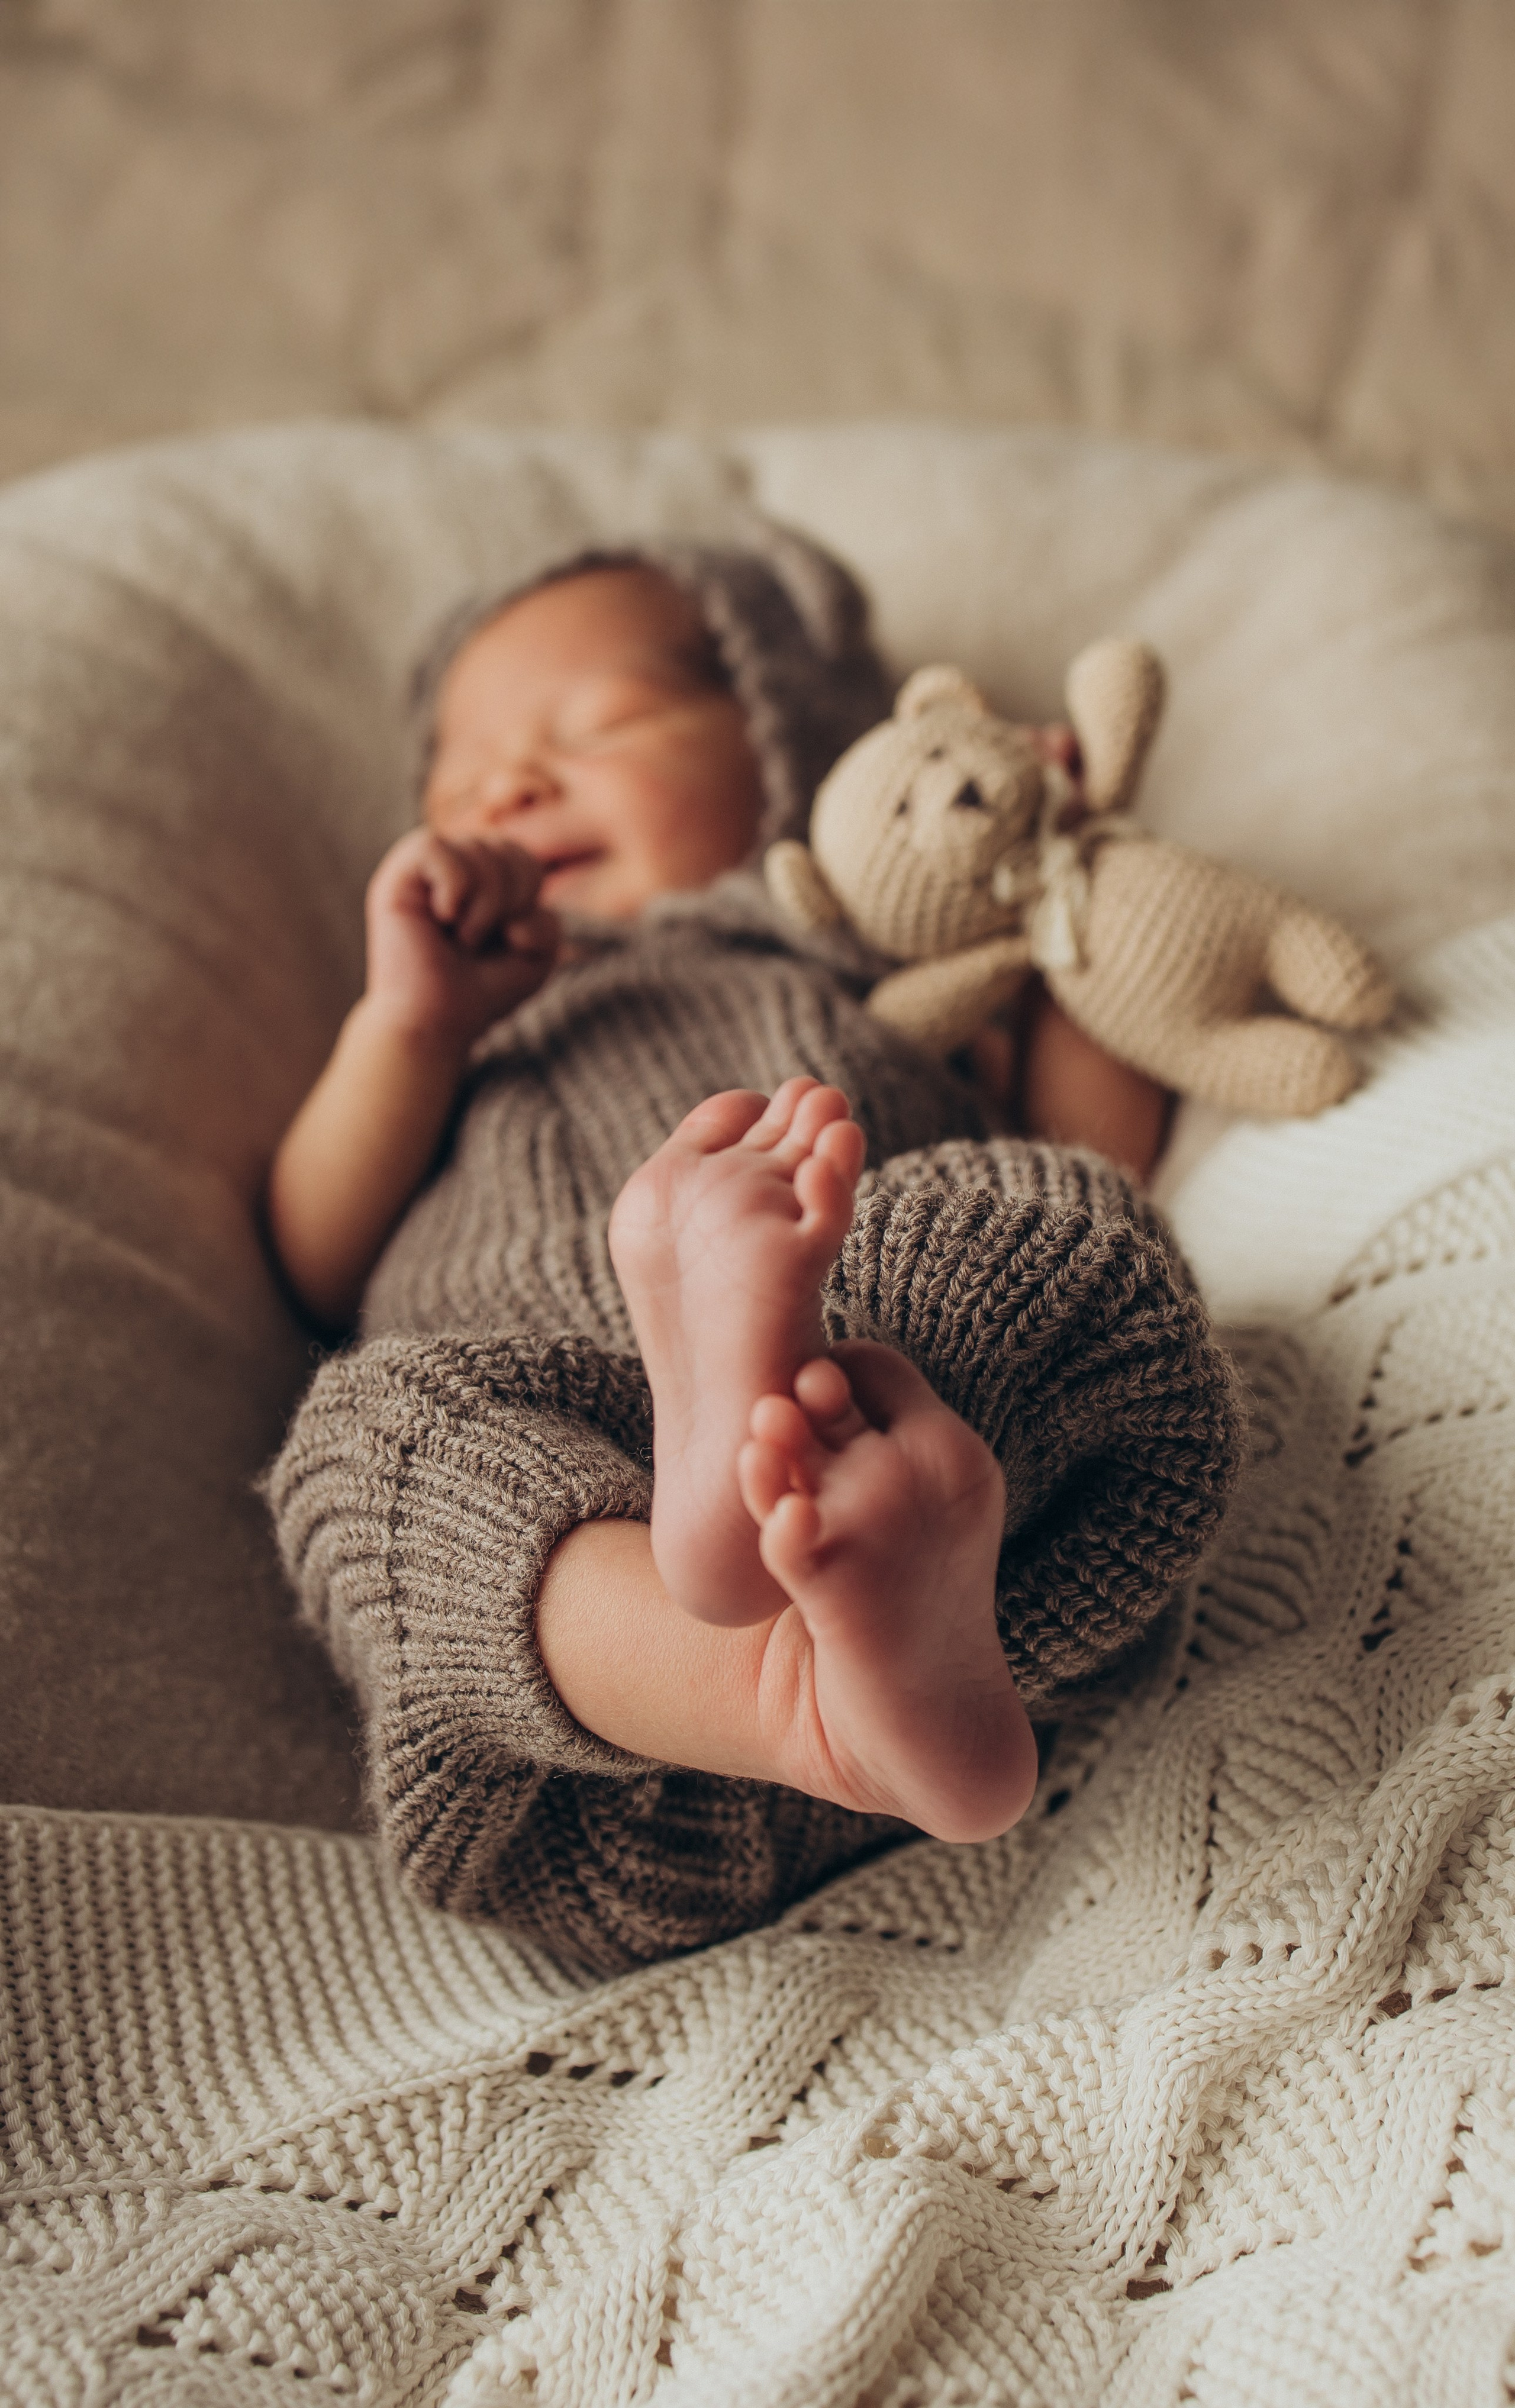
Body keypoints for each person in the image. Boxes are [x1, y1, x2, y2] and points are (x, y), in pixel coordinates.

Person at [265, 532, 1238, 1971]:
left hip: (930, 1504)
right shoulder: (469, 1029)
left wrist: (1058, 892)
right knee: (366, 1438)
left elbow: (1096, 1148)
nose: (507, 785)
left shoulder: (872, 964)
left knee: (1036, 1227)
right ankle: (776, 1675)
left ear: (794, 756)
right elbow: (314, 1259)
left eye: (594, 726)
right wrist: (407, 1025)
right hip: (617, 1733)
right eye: (463, 774)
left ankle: (794, 1513)